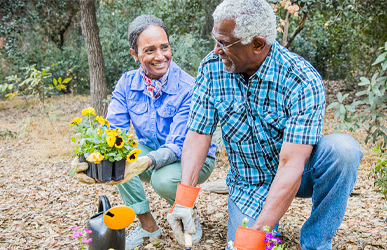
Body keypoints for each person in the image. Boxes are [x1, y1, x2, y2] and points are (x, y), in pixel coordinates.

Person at [165, 1, 363, 249]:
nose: (216, 50)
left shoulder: (301, 79)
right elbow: (198, 133)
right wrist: (184, 200)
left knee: (344, 151)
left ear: (257, 44)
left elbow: (291, 164)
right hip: (249, 182)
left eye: (224, 43)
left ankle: (316, 242)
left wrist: (257, 233)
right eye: (216, 40)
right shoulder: (212, 69)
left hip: (299, 173)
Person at [73, 15, 216, 250]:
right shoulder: (127, 84)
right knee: (115, 158)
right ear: (135, 55)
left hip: (193, 157)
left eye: (164, 47)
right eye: (149, 50)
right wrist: (91, 157)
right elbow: (112, 131)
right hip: (153, 152)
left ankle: (186, 210)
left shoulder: (189, 88)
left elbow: (179, 144)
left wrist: (146, 161)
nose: (160, 56)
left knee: (162, 179)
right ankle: (148, 227)